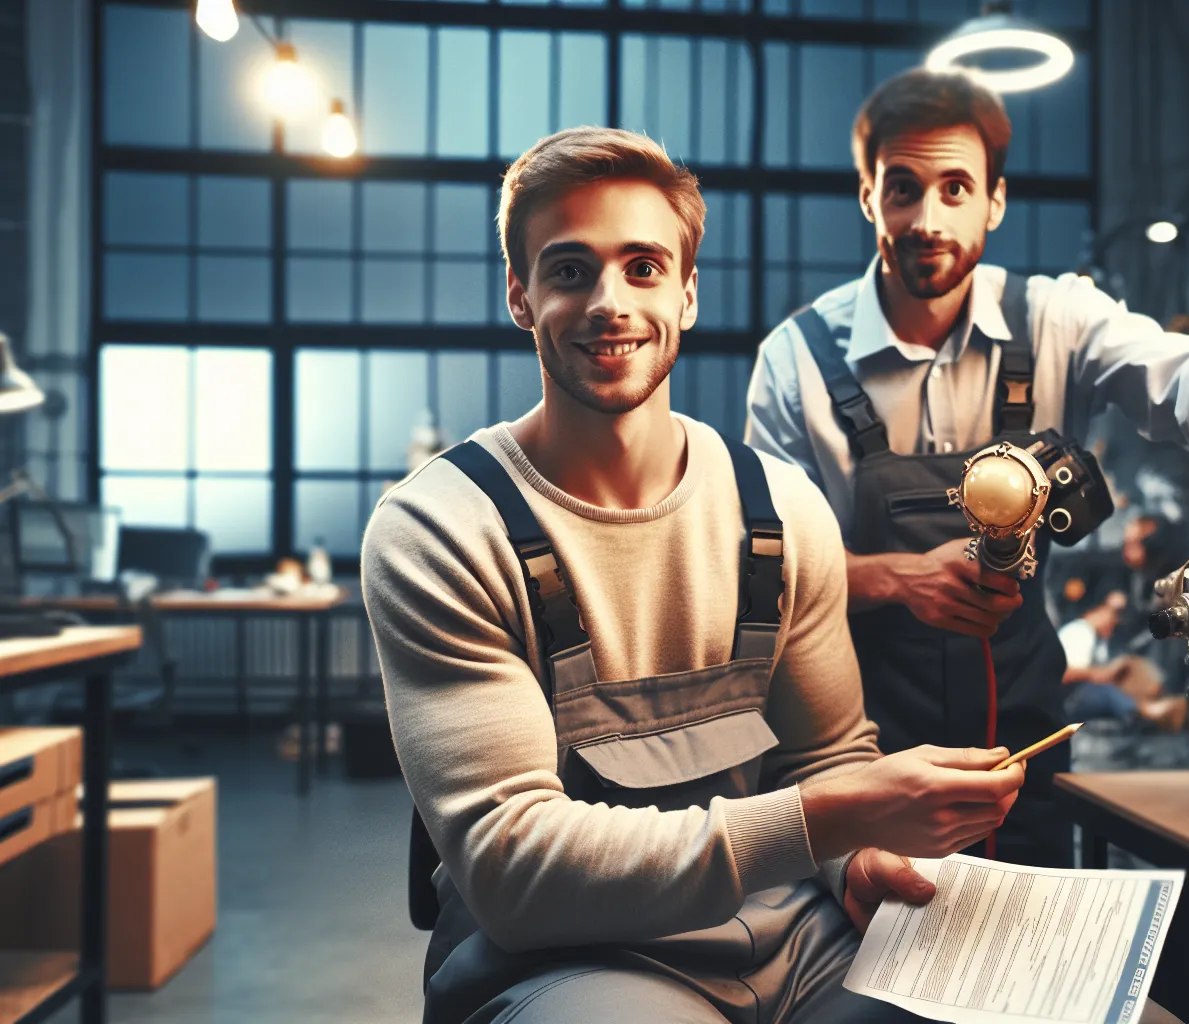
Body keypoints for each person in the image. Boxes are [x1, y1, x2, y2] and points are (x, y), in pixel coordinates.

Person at [363, 127, 1024, 1024]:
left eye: (643, 268)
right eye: (570, 271)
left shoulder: (780, 509)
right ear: (520, 294)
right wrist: (824, 821)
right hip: (571, 960)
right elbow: (513, 869)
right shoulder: (443, 529)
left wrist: (857, 860)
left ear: (687, 293)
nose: (610, 303)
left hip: (799, 943)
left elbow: (826, 757)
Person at [744, 69, 1189, 867]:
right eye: (903, 189)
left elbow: (1174, 372)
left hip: (1023, 739)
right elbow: (770, 562)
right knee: (874, 934)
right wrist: (898, 579)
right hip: (858, 740)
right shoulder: (797, 362)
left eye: (955, 189)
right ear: (868, 196)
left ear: (995, 201)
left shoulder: (1055, 318)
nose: (928, 219)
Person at [1059, 590, 1184, 733]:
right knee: (1104, 689)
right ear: (1098, 610)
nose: (1116, 621)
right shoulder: (1078, 632)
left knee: (1130, 667)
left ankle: (1159, 706)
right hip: (1068, 700)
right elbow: (1062, 674)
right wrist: (1097, 674)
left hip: (1085, 695)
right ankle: (1144, 712)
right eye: (1114, 614)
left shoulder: (1099, 640)